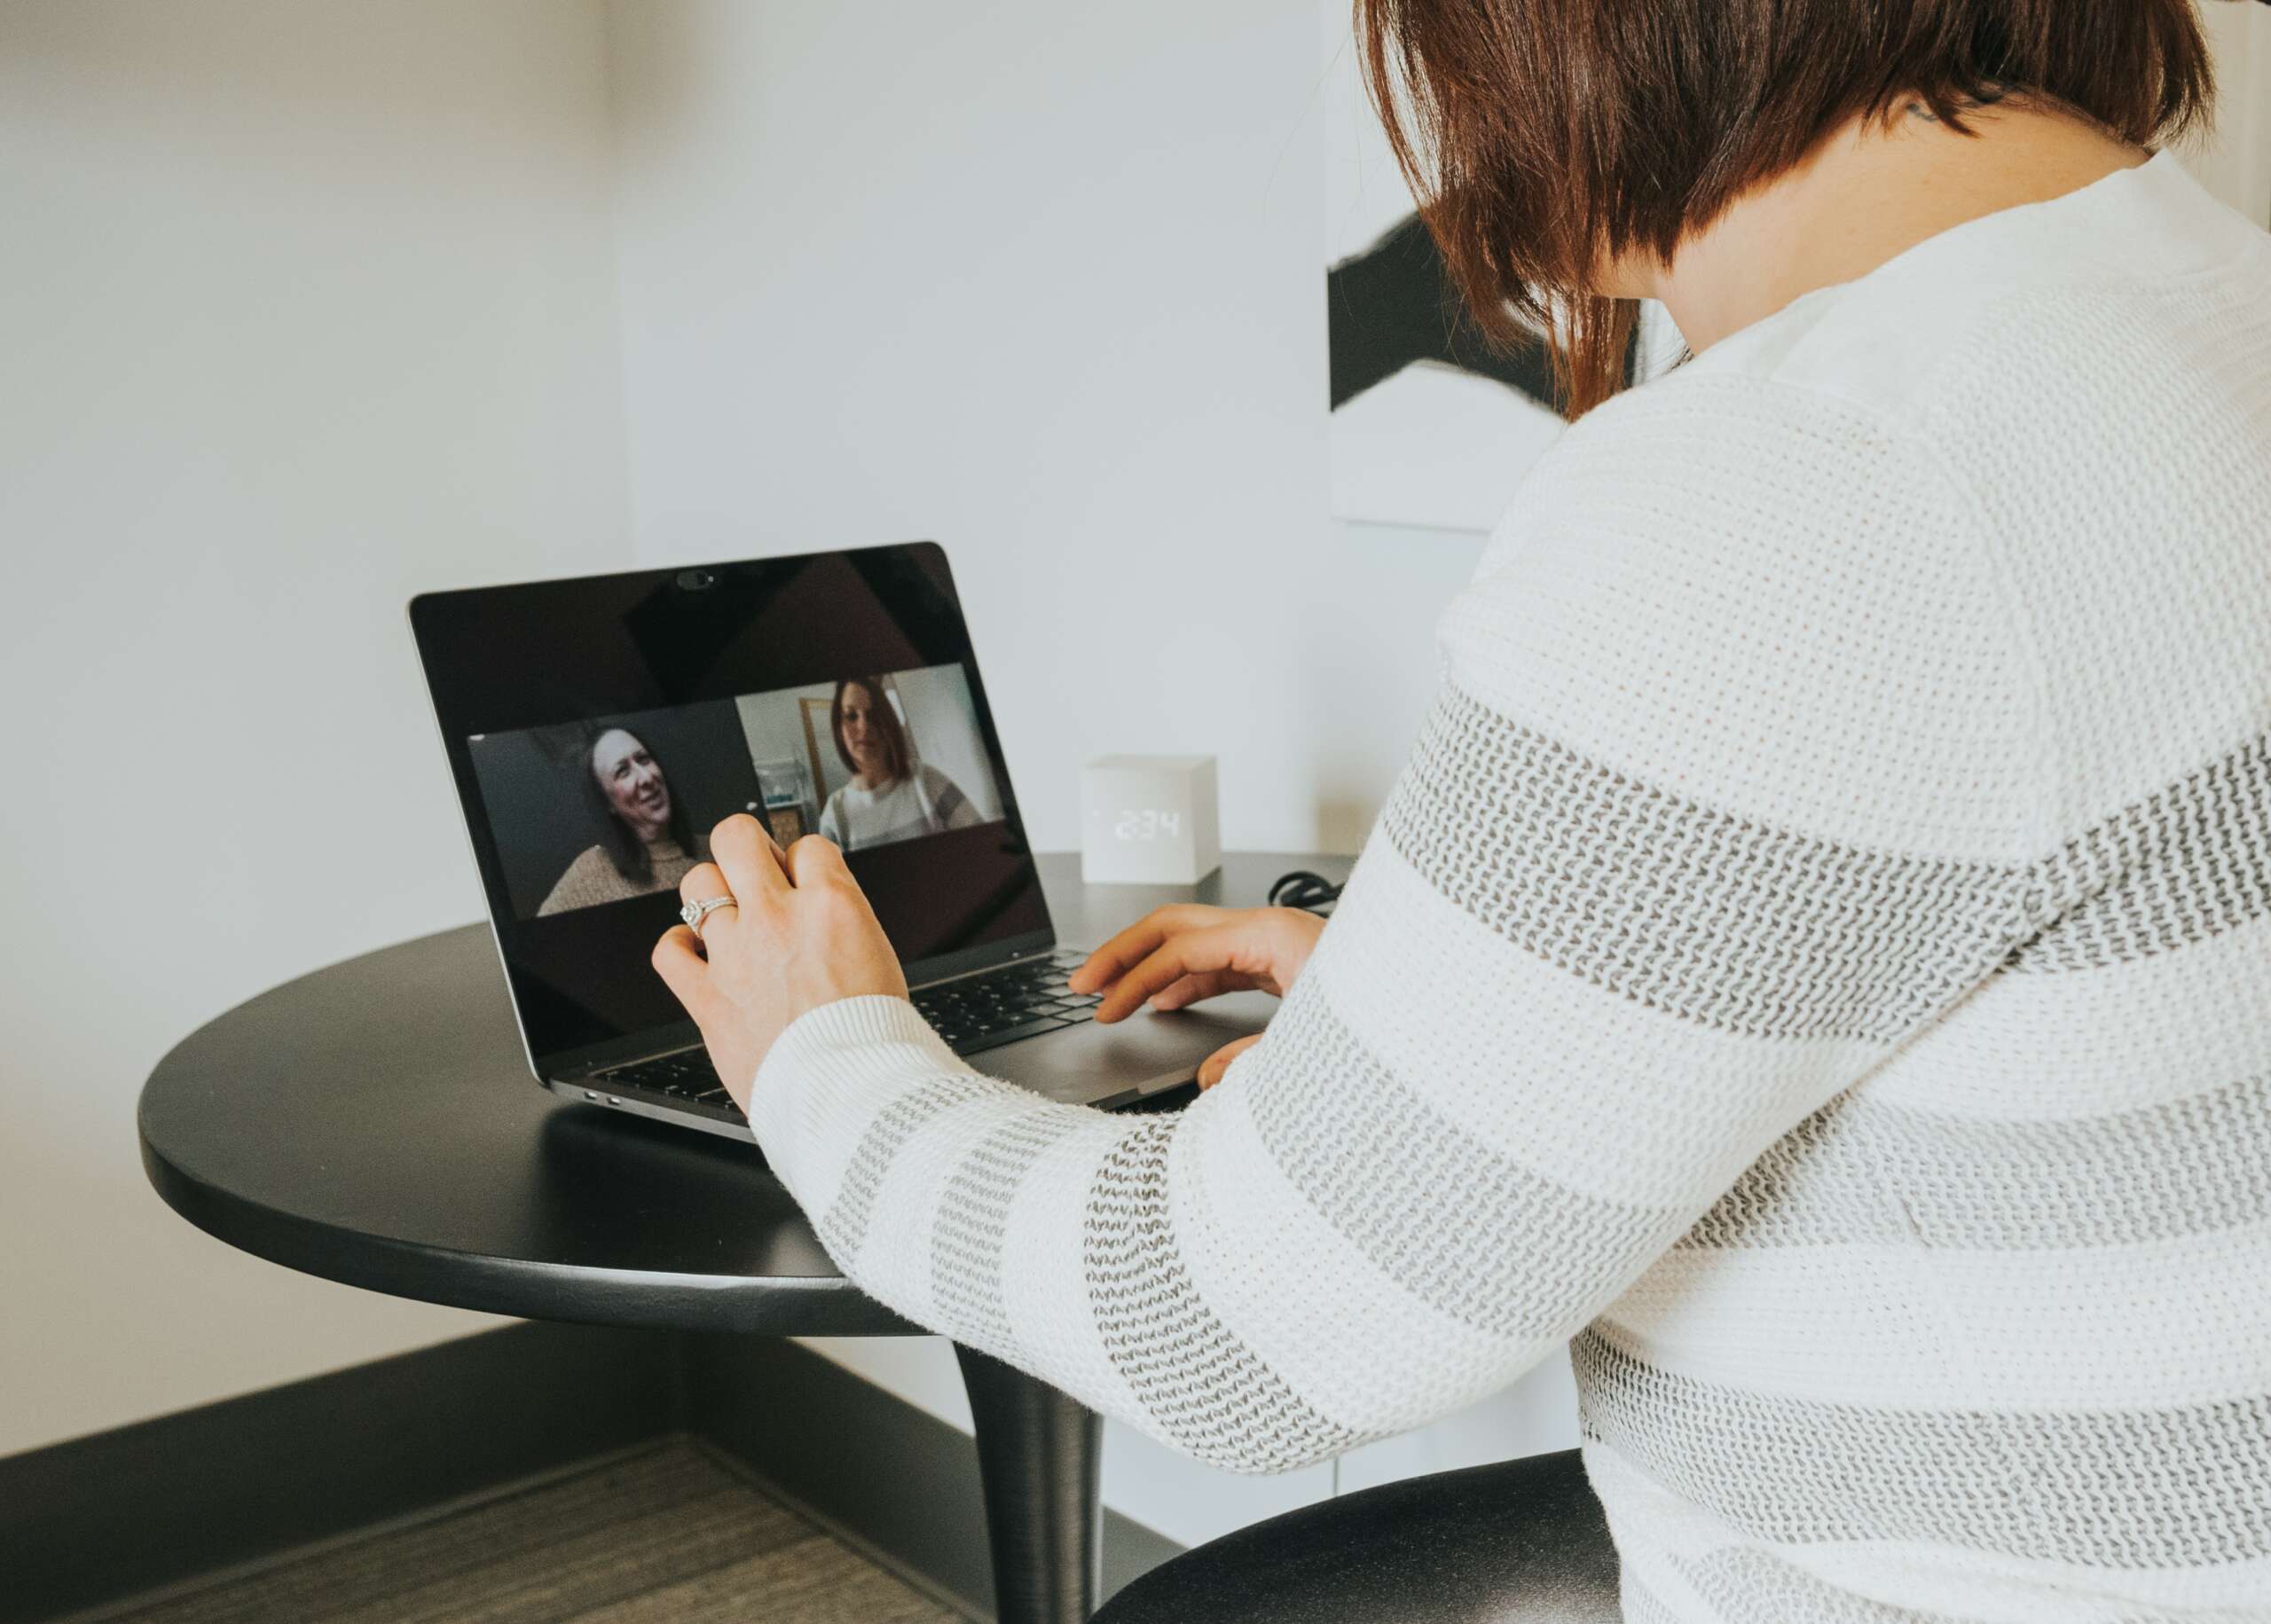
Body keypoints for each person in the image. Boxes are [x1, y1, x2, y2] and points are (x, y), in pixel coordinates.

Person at [648, 4, 2271, 1620]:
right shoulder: (2203, 296)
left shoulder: (1809, 471)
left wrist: (823, 1061)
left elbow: (1237, 1331)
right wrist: (1450, 1014)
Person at [535, 726, 701, 915]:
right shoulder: (591, 871)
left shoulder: (714, 847)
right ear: (608, 802)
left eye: (644, 759)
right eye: (623, 771)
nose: (646, 778)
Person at [814, 677, 982, 851]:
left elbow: (983, 844)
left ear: (888, 722)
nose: (864, 726)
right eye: (851, 716)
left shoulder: (927, 780)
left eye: (873, 715)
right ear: (838, 728)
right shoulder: (834, 815)